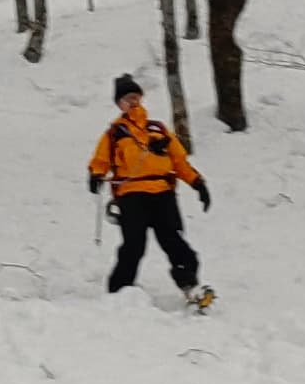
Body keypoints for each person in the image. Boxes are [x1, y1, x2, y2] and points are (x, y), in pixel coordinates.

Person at [87, 73, 212, 305]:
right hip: (131, 195)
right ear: (119, 104)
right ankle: (118, 292)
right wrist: (96, 175)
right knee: (134, 244)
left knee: (173, 241)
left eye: (135, 96)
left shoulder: (158, 129)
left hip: (163, 193)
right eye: (127, 98)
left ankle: (190, 284)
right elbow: (101, 160)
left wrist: (197, 183)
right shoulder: (115, 133)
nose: (132, 102)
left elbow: (179, 161)